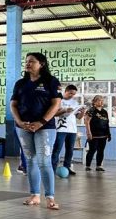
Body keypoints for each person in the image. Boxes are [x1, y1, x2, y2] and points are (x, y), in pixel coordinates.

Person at [12, 52, 62, 210]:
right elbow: (13, 104)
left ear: (42, 64)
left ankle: (50, 197)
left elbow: (56, 104)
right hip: (23, 127)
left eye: (32, 61)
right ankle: (35, 195)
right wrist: (19, 122)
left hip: (44, 127)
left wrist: (41, 122)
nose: (27, 64)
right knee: (30, 160)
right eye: (26, 61)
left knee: (43, 161)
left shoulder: (50, 81)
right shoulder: (20, 83)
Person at [51, 84, 81, 174]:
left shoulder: (75, 103)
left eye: (74, 94)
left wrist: (82, 112)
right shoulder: (58, 101)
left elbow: (78, 117)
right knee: (57, 149)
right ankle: (52, 168)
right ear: (66, 91)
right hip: (60, 129)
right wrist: (64, 110)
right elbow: (53, 114)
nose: (72, 95)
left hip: (72, 129)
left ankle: (67, 167)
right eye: (70, 93)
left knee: (70, 150)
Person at [84, 95, 110, 172]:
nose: (101, 102)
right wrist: (89, 133)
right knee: (92, 150)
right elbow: (87, 122)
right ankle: (88, 165)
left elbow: (106, 123)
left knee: (101, 150)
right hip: (94, 135)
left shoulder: (104, 111)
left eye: (102, 100)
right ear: (94, 102)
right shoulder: (91, 110)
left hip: (103, 135)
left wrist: (109, 133)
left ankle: (99, 166)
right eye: (99, 100)